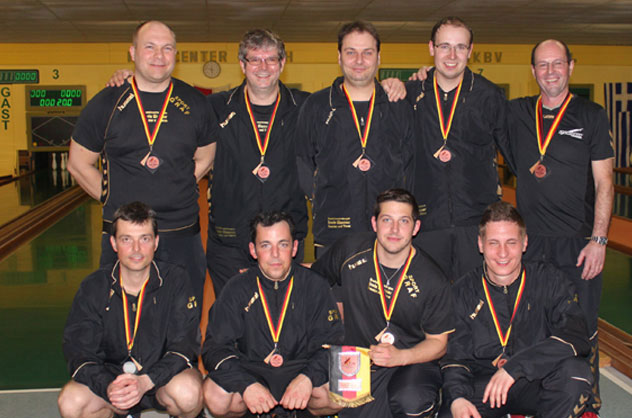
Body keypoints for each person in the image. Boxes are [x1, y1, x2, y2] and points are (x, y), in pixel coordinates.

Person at [434, 201, 593, 418]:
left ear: (525, 243)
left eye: (511, 242)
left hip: (536, 382)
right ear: (480, 244)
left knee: (578, 376)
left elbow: (576, 336)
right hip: (486, 385)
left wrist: (517, 367)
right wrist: (456, 398)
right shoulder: (462, 291)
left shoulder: (550, 280)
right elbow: (454, 355)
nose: (503, 253)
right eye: (494, 243)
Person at [67, 20, 218, 308]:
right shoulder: (106, 102)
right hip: (125, 237)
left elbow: (206, 155)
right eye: (150, 47)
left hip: (180, 234)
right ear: (133, 52)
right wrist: (116, 202)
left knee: (183, 317)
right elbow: (78, 163)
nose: (159, 55)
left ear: (176, 54)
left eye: (167, 48)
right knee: (122, 317)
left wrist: (178, 185)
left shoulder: (195, 102)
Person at [507, 39, 614, 418]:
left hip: (578, 240)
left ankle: (587, 403)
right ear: (533, 71)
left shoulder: (592, 115)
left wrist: (598, 240)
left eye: (557, 63)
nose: (550, 71)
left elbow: (605, 183)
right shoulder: (518, 112)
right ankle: (528, 398)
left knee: (581, 323)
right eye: (542, 64)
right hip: (531, 241)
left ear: (571, 66)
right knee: (529, 322)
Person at [312, 188, 454, 418]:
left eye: (404, 221)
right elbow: (313, 281)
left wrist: (400, 357)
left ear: (416, 227)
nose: (394, 229)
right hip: (358, 362)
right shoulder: (349, 251)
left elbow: (439, 343)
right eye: (387, 220)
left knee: (413, 397)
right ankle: (380, 412)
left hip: (411, 363)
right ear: (374, 223)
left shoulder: (432, 278)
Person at [58, 202, 204, 418]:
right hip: (114, 384)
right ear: (114, 243)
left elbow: (186, 346)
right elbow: (78, 351)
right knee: (71, 404)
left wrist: (147, 381)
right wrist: (107, 385)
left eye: (144, 239)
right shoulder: (94, 287)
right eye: (127, 239)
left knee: (190, 393)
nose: (136, 249)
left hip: (161, 380)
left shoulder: (176, 280)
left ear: (156, 242)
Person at [202, 211, 343, 418]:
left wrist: (308, 378)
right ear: (253, 250)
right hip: (253, 370)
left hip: (301, 369)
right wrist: (246, 385)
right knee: (215, 398)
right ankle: (253, 416)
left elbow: (335, 342)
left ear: (295, 248)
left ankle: (301, 415)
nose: (275, 254)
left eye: (283, 244)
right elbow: (214, 348)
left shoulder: (315, 286)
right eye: (266, 245)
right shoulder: (236, 288)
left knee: (348, 388)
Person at [296, 21, 414, 257]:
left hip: (389, 233)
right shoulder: (317, 105)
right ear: (339, 57)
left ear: (378, 58)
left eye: (367, 52)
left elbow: (411, 165)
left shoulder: (398, 106)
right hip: (333, 231)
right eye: (351, 52)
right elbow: (302, 161)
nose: (359, 60)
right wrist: (323, 199)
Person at [406, 16, 511, 282]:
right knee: (429, 301)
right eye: (444, 46)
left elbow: (515, 156)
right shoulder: (410, 94)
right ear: (431, 48)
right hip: (426, 223)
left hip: (475, 223)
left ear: (470, 50)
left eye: (460, 47)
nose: (452, 55)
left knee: (475, 299)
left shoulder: (490, 96)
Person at [205, 29, 309, 296]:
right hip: (230, 241)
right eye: (255, 59)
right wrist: (127, 81)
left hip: (285, 240)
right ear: (242, 65)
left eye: (271, 59)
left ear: (282, 63)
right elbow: (168, 100)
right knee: (234, 313)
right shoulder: (215, 108)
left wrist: (396, 86)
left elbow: (351, 96)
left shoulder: (306, 108)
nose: (263, 67)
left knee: (281, 313)